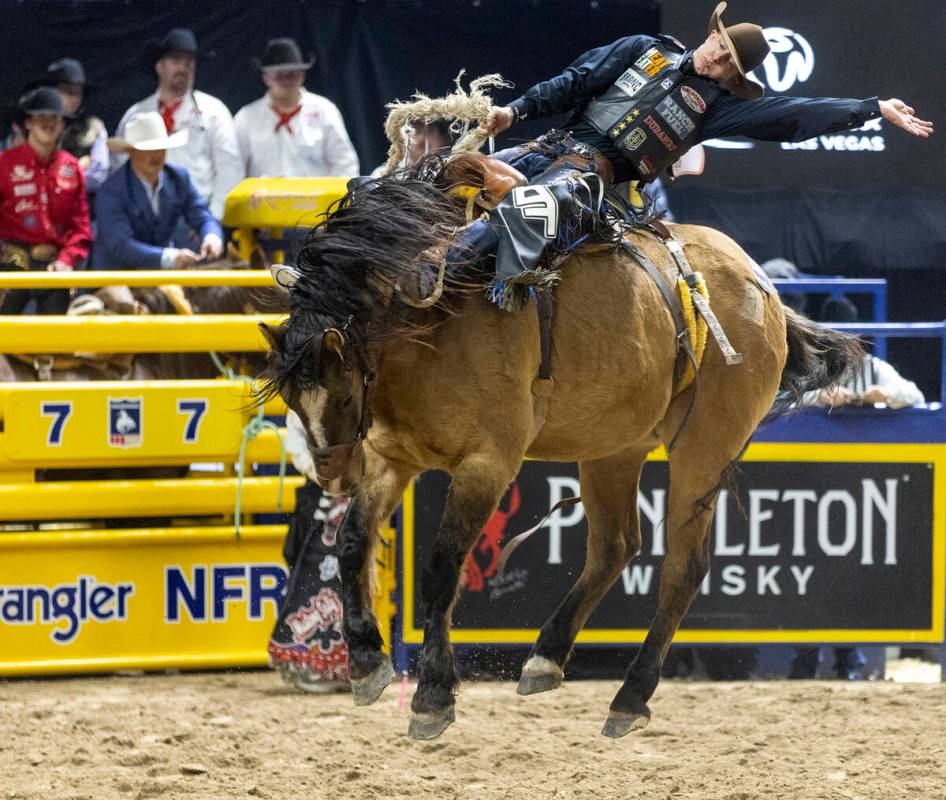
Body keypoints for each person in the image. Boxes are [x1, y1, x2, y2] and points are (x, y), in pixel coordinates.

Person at [437, 1, 933, 310]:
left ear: (732, 78)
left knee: (538, 206)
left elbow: (795, 114)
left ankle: (440, 270)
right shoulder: (643, 48)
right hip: (546, 148)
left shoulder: (716, 110)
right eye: (719, 45)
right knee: (440, 175)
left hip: (594, 182)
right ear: (713, 33)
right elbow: (575, 81)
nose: (714, 57)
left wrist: (871, 108)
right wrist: (514, 112)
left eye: (727, 63)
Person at [114, 28, 243, 220]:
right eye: (175, 61)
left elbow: (230, 167)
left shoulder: (214, 112)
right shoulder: (136, 114)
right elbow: (120, 166)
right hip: (144, 216)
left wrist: (211, 218)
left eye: (189, 62)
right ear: (159, 67)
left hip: (195, 215)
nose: (183, 68)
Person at [268, 410, 351, 692]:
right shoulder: (308, 398)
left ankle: (341, 662)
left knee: (351, 581)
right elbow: (295, 438)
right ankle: (311, 662)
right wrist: (322, 476)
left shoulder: (363, 392)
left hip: (351, 498)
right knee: (310, 573)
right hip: (322, 498)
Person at [0, 87, 91, 315]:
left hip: (55, 266)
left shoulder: (71, 168)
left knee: (58, 343)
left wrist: (66, 260)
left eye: (54, 117)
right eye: (41, 116)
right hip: (11, 264)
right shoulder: (5, 164)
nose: (48, 123)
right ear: (28, 123)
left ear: (63, 124)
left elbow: (81, 228)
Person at [94, 111, 222, 270]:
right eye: (147, 149)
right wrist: (170, 257)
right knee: (120, 297)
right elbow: (120, 245)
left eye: (160, 148)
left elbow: (203, 216)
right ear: (130, 152)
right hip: (117, 275)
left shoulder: (179, 178)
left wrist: (212, 238)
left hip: (163, 273)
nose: (155, 155)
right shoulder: (111, 190)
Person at [234, 38, 359, 178]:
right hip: (262, 198)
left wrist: (341, 197)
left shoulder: (324, 110)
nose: (286, 79)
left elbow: (344, 162)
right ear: (266, 78)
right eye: (278, 74)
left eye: (292, 73)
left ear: (302, 75)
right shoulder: (246, 117)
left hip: (314, 197)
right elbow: (234, 167)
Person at [28, 58, 109, 195]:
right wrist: (78, 168)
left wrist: (62, 178)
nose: (74, 98)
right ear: (50, 92)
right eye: (67, 91)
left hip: (75, 208)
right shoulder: (31, 124)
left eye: (78, 93)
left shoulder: (94, 128)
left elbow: (98, 176)